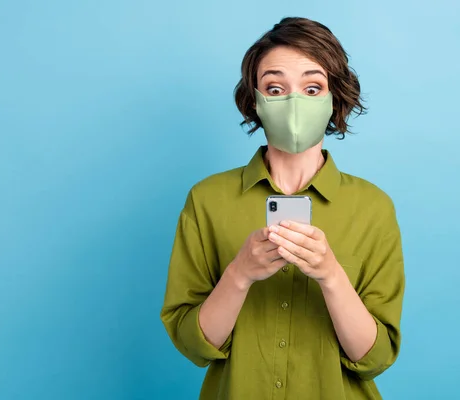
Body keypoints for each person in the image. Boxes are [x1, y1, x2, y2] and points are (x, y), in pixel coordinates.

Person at [160, 17, 405, 400]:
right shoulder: (207, 200)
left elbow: (375, 357)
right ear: (255, 101)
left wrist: (330, 275)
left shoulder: (373, 207)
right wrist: (239, 274)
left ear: (334, 98)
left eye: (312, 87)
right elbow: (193, 346)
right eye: (275, 87)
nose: (294, 103)